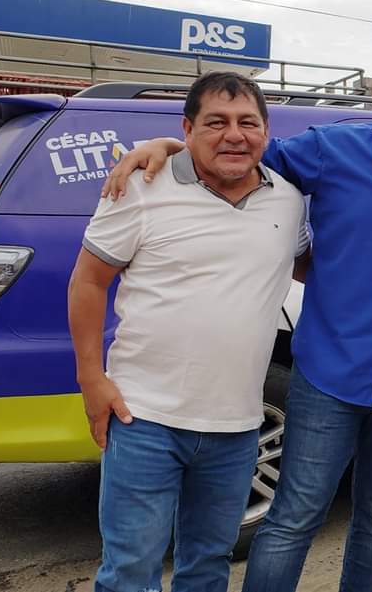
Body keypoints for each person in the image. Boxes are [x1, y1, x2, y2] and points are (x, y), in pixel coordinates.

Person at [101, 44, 372, 592]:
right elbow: (238, 154)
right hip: (328, 375)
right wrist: (168, 145)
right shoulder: (332, 149)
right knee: (294, 518)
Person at [69, 71, 309, 592]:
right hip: (144, 419)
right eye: (215, 122)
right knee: (130, 571)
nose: (234, 135)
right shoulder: (140, 186)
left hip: (238, 428)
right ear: (187, 127)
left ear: (266, 132)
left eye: (248, 122)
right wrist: (92, 378)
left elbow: (314, 267)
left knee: (207, 568)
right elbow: (88, 281)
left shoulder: (288, 201)